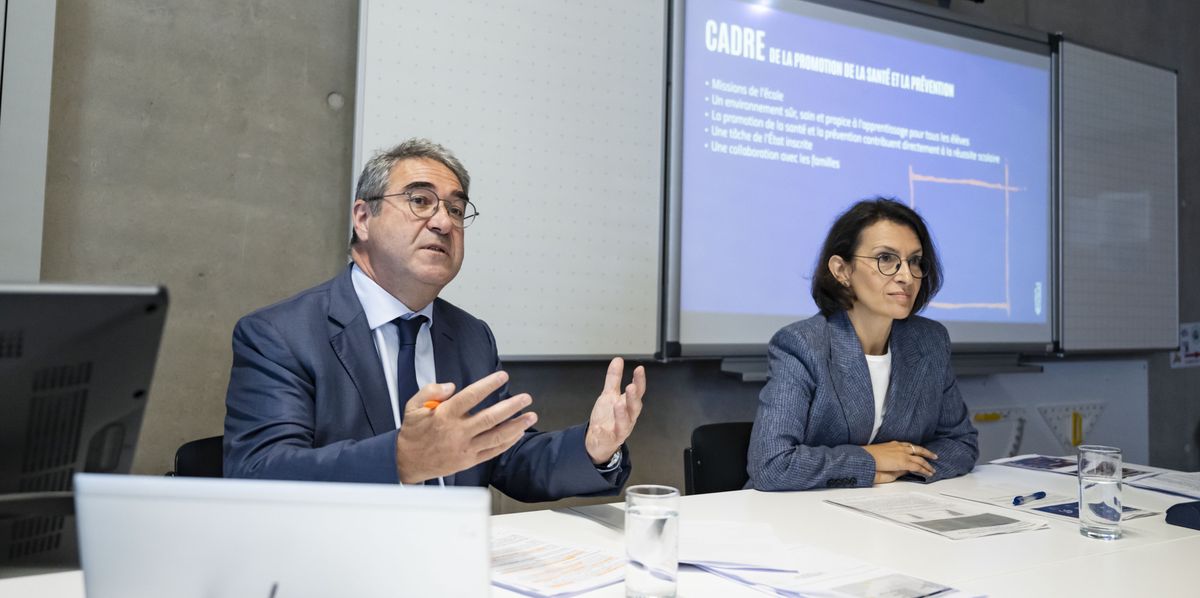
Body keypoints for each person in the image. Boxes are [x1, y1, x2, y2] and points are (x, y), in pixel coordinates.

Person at [224, 138, 646, 502]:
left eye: (457, 210)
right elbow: (259, 473)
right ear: (363, 218)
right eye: (420, 201)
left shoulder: (469, 336)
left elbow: (505, 457)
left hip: (454, 561)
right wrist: (401, 459)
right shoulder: (282, 334)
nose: (444, 222)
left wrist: (592, 448)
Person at [748, 197, 977, 491]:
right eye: (886, 260)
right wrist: (869, 462)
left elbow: (960, 444)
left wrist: (896, 470)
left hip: (894, 510)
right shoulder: (802, 344)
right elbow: (772, 465)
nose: (906, 276)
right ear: (842, 270)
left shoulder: (929, 341)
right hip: (798, 522)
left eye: (915, 261)